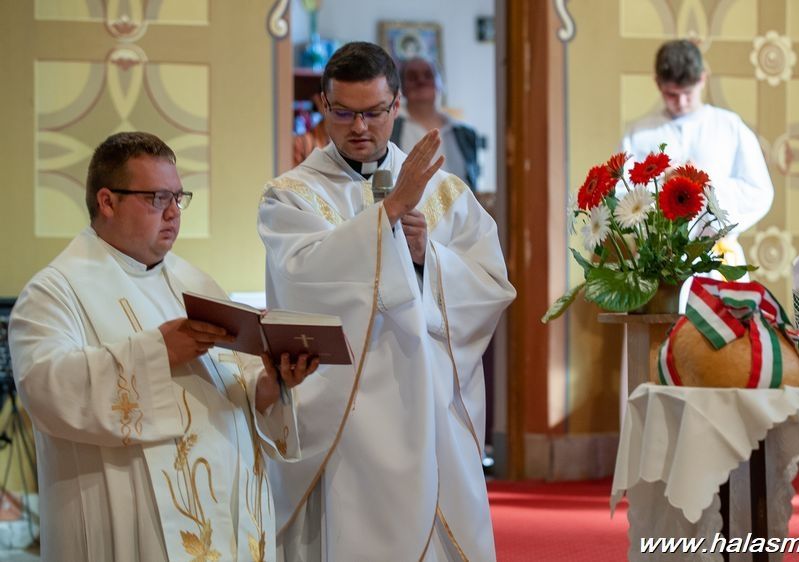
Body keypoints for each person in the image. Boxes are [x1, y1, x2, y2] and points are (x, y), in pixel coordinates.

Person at [258, 42, 515, 561]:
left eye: (374, 112)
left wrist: (427, 259)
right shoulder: (290, 195)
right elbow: (301, 275)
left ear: (395, 106)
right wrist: (389, 216)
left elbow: (491, 286)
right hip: (342, 414)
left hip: (427, 400)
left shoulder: (444, 193)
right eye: (345, 113)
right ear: (325, 109)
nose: (360, 127)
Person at [9, 132, 318, 561]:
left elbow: (240, 390)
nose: (173, 213)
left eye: (178, 197)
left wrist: (271, 383)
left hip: (227, 525)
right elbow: (45, 389)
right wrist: (158, 352)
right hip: (133, 532)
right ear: (107, 201)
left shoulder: (197, 283)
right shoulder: (54, 292)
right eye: (157, 198)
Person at [620, 39, 774, 266]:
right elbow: (621, 195)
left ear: (703, 78)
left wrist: (707, 181)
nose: (681, 102)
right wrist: (663, 184)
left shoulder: (729, 127)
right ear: (657, 83)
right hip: (657, 262)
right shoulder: (639, 134)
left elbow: (759, 193)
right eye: (671, 94)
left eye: (687, 93)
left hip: (717, 257)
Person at [391, 56, 484, 190]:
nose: (421, 81)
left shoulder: (465, 134)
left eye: (428, 75)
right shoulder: (391, 129)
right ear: (402, 87)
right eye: (412, 77)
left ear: (440, 83)